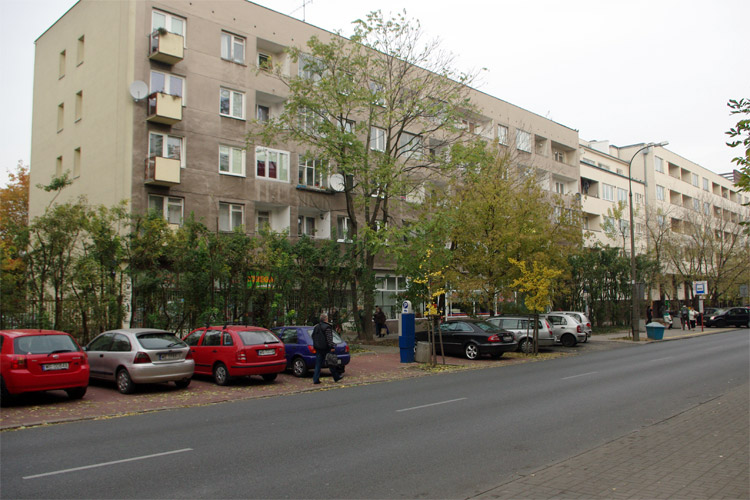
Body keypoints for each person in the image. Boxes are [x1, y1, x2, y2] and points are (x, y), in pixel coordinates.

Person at [311, 312, 342, 384]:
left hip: (318, 348)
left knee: (318, 364)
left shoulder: (316, 327)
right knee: (331, 363)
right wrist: (332, 346)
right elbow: (329, 338)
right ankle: (336, 377)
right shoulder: (327, 327)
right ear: (326, 319)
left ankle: (315, 379)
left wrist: (316, 344)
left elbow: (313, 336)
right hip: (326, 348)